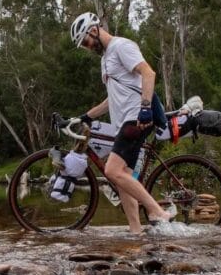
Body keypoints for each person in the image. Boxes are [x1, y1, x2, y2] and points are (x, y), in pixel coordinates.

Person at [70, 12, 175, 234]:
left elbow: (148, 73)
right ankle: (135, 231)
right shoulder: (105, 60)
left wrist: (145, 108)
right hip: (123, 122)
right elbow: (112, 99)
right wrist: (86, 116)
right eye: (83, 46)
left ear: (93, 30)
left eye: (86, 41)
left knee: (112, 170)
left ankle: (156, 211)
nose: (87, 47)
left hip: (135, 116)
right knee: (122, 179)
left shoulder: (121, 46)